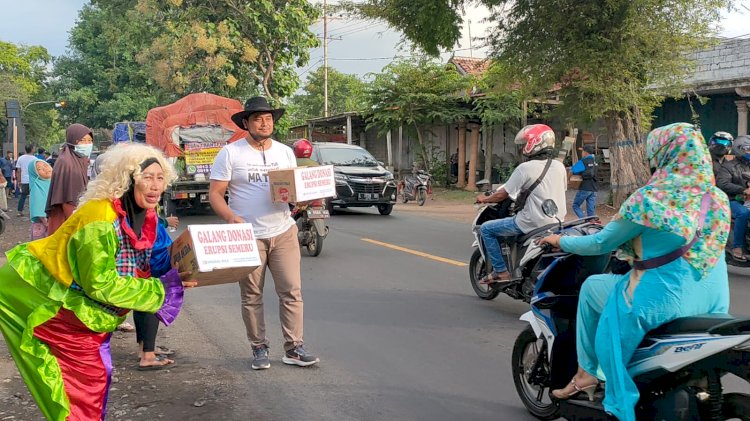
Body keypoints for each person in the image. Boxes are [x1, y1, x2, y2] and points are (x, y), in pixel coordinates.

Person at [538, 123, 730, 421]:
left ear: (663, 155)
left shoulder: (649, 200)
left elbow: (600, 243)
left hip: (661, 299)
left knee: (592, 288)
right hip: (714, 301)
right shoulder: (716, 197)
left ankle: (587, 373)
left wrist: (558, 239)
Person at [0, 142, 196, 420]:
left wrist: (191, 267)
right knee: (79, 382)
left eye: (160, 177)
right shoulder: (100, 218)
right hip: (37, 293)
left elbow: (153, 260)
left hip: (76, 305)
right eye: (147, 177)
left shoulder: (147, 215)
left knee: (89, 379)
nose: (155, 185)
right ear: (127, 179)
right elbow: (101, 284)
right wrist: (162, 290)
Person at [209, 96, 319, 370]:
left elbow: (292, 189)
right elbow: (215, 194)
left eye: (268, 118)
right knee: (251, 295)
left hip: (283, 230)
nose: (264, 123)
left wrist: (301, 200)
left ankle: (294, 347)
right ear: (246, 123)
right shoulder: (231, 153)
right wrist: (230, 217)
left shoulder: (284, 152)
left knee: (292, 292)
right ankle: (258, 347)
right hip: (247, 236)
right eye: (258, 118)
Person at [475, 124, 567, 285]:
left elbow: (503, 194)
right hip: (557, 222)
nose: (524, 147)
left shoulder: (525, 168)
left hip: (531, 222)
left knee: (486, 229)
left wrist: (484, 198)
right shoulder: (559, 166)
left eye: (526, 143)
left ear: (534, 143)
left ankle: (501, 271)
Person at [45, 123, 94, 235]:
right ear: (72, 140)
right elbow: (68, 199)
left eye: (90, 140)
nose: (87, 144)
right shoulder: (67, 163)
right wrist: (77, 225)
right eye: (82, 140)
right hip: (67, 220)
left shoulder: (79, 160)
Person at [717, 135, 750, 262]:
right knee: (743, 213)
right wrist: (743, 190)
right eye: (748, 149)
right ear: (739, 149)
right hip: (731, 200)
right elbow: (722, 184)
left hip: (747, 199)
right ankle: (737, 247)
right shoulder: (728, 166)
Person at [571, 144, 599, 218]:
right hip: (594, 189)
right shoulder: (595, 161)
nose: (582, 153)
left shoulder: (583, 161)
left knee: (576, 205)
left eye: (582, 151)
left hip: (585, 187)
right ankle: (591, 224)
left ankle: (583, 220)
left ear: (585, 152)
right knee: (591, 210)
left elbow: (573, 170)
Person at [28, 159, 52, 240]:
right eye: (39, 169)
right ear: (34, 173)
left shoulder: (52, 182)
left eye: (45, 165)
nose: (45, 169)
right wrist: (46, 222)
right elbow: (38, 205)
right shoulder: (36, 187)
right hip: (43, 224)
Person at [15, 144, 36, 216]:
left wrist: (19, 180)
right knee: (33, 196)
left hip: (24, 180)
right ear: (32, 149)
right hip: (33, 181)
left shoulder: (20, 158)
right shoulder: (35, 159)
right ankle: (33, 212)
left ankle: (19, 211)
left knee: (23, 196)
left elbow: (18, 171)